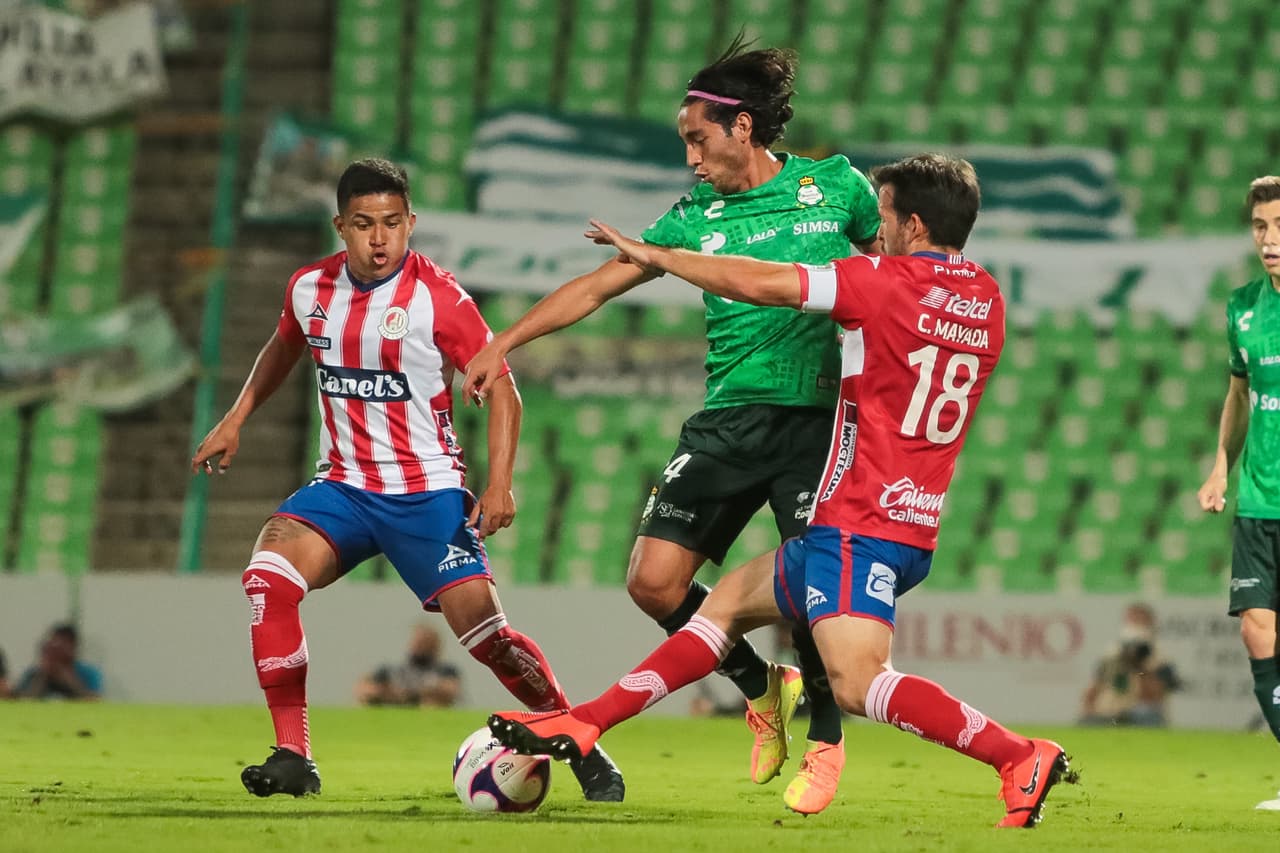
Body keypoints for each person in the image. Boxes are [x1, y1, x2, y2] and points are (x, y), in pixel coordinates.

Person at [489, 153, 1077, 828]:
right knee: (721, 611)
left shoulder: (881, 282)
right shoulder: (987, 298)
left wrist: (665, 256)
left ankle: (1017, 754)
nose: (873, 228)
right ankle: (589, 721)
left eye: (882, 216)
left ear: (913, 223)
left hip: (858, 525)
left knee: (861, 682)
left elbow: (766, 282)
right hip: (907, 520)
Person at [463, 38, 881, 814]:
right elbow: (596, 287)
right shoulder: (692, 218)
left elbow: (890, 277)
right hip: (726, 420)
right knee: (653, 582)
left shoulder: (837, 186)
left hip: (818, 422)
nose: (689, 157)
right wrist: (504, 339)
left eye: (698, 138)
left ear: (743, 128)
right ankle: (760, 685)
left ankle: (825, 743)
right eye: (683, 141)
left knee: (810, 590)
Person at [190, 158, 623, 801]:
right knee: (267, 579)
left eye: (392, 223)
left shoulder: (439, 299)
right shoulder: (310, 288)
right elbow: (284, 344)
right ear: (341, 226)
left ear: (411, 223)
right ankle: (293, 754)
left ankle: (580, 739)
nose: (379, 239)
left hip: (427, 493)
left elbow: (505, 390)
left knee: (489, 640)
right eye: (364, 224)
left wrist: (500, 484)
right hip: (342, 486)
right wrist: (236, 416)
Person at [1197, 174, 1280, 812]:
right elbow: (1238, 393)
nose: (1270, 240)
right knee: (1257, 632)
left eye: (1279, 227)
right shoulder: (1243, 307)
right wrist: (1221, 465)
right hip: (1257, 499)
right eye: (1260, 227)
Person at [1079, 603, 1181, 727]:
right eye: (1133, 619)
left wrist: (1140, 667)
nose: (1136, 625)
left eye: (1141, 620)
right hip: (1110, 710)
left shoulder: (1160, 658)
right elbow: (1095, 687)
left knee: (1146, 715)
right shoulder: (1112, 654)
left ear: (1151, 624)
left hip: (1142, 713)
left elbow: (1155, 697)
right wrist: (1089, 708)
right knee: (1091, 721)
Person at [356, 624, 462, 707]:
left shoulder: (445, 670)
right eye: (418, 642)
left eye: (426, 642)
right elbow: (365, 689)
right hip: (394, 709)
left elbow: (450, 689)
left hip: (425, 713)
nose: (421, 646)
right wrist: (389, 693)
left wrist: (410, 693)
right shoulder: (392, 671)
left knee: (431, 703)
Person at [14, 623, 102, 701]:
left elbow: (94, 700)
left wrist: (69, 679)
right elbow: (23, 701)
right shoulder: (33, 674)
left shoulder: (88, 673)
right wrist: (43, 675)